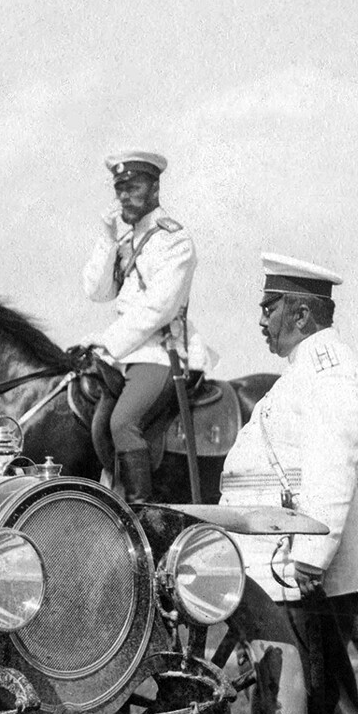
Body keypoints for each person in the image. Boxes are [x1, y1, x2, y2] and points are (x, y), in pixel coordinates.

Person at [218, 254, 358, 714]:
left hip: (299, 562)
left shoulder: (332, 377)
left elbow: (331, 471)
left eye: (268, 309)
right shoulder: (306, 371)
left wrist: (309, 560)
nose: (261, 321)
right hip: (278, 557)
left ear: (300, 312)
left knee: (322, 693)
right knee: (313, 688)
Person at [77, 150, 215, 508]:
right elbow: (97, 290)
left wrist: (107, 343)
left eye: (133, 187)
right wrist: (107, 238)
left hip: (161, 352)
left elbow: (159, 308)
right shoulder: (127, 242)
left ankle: (139, 512)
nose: (124, 196)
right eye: (119, 188)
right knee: (93, 420)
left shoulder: (174, 240)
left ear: (154, 189)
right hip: (127, 354)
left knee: (123, 423)